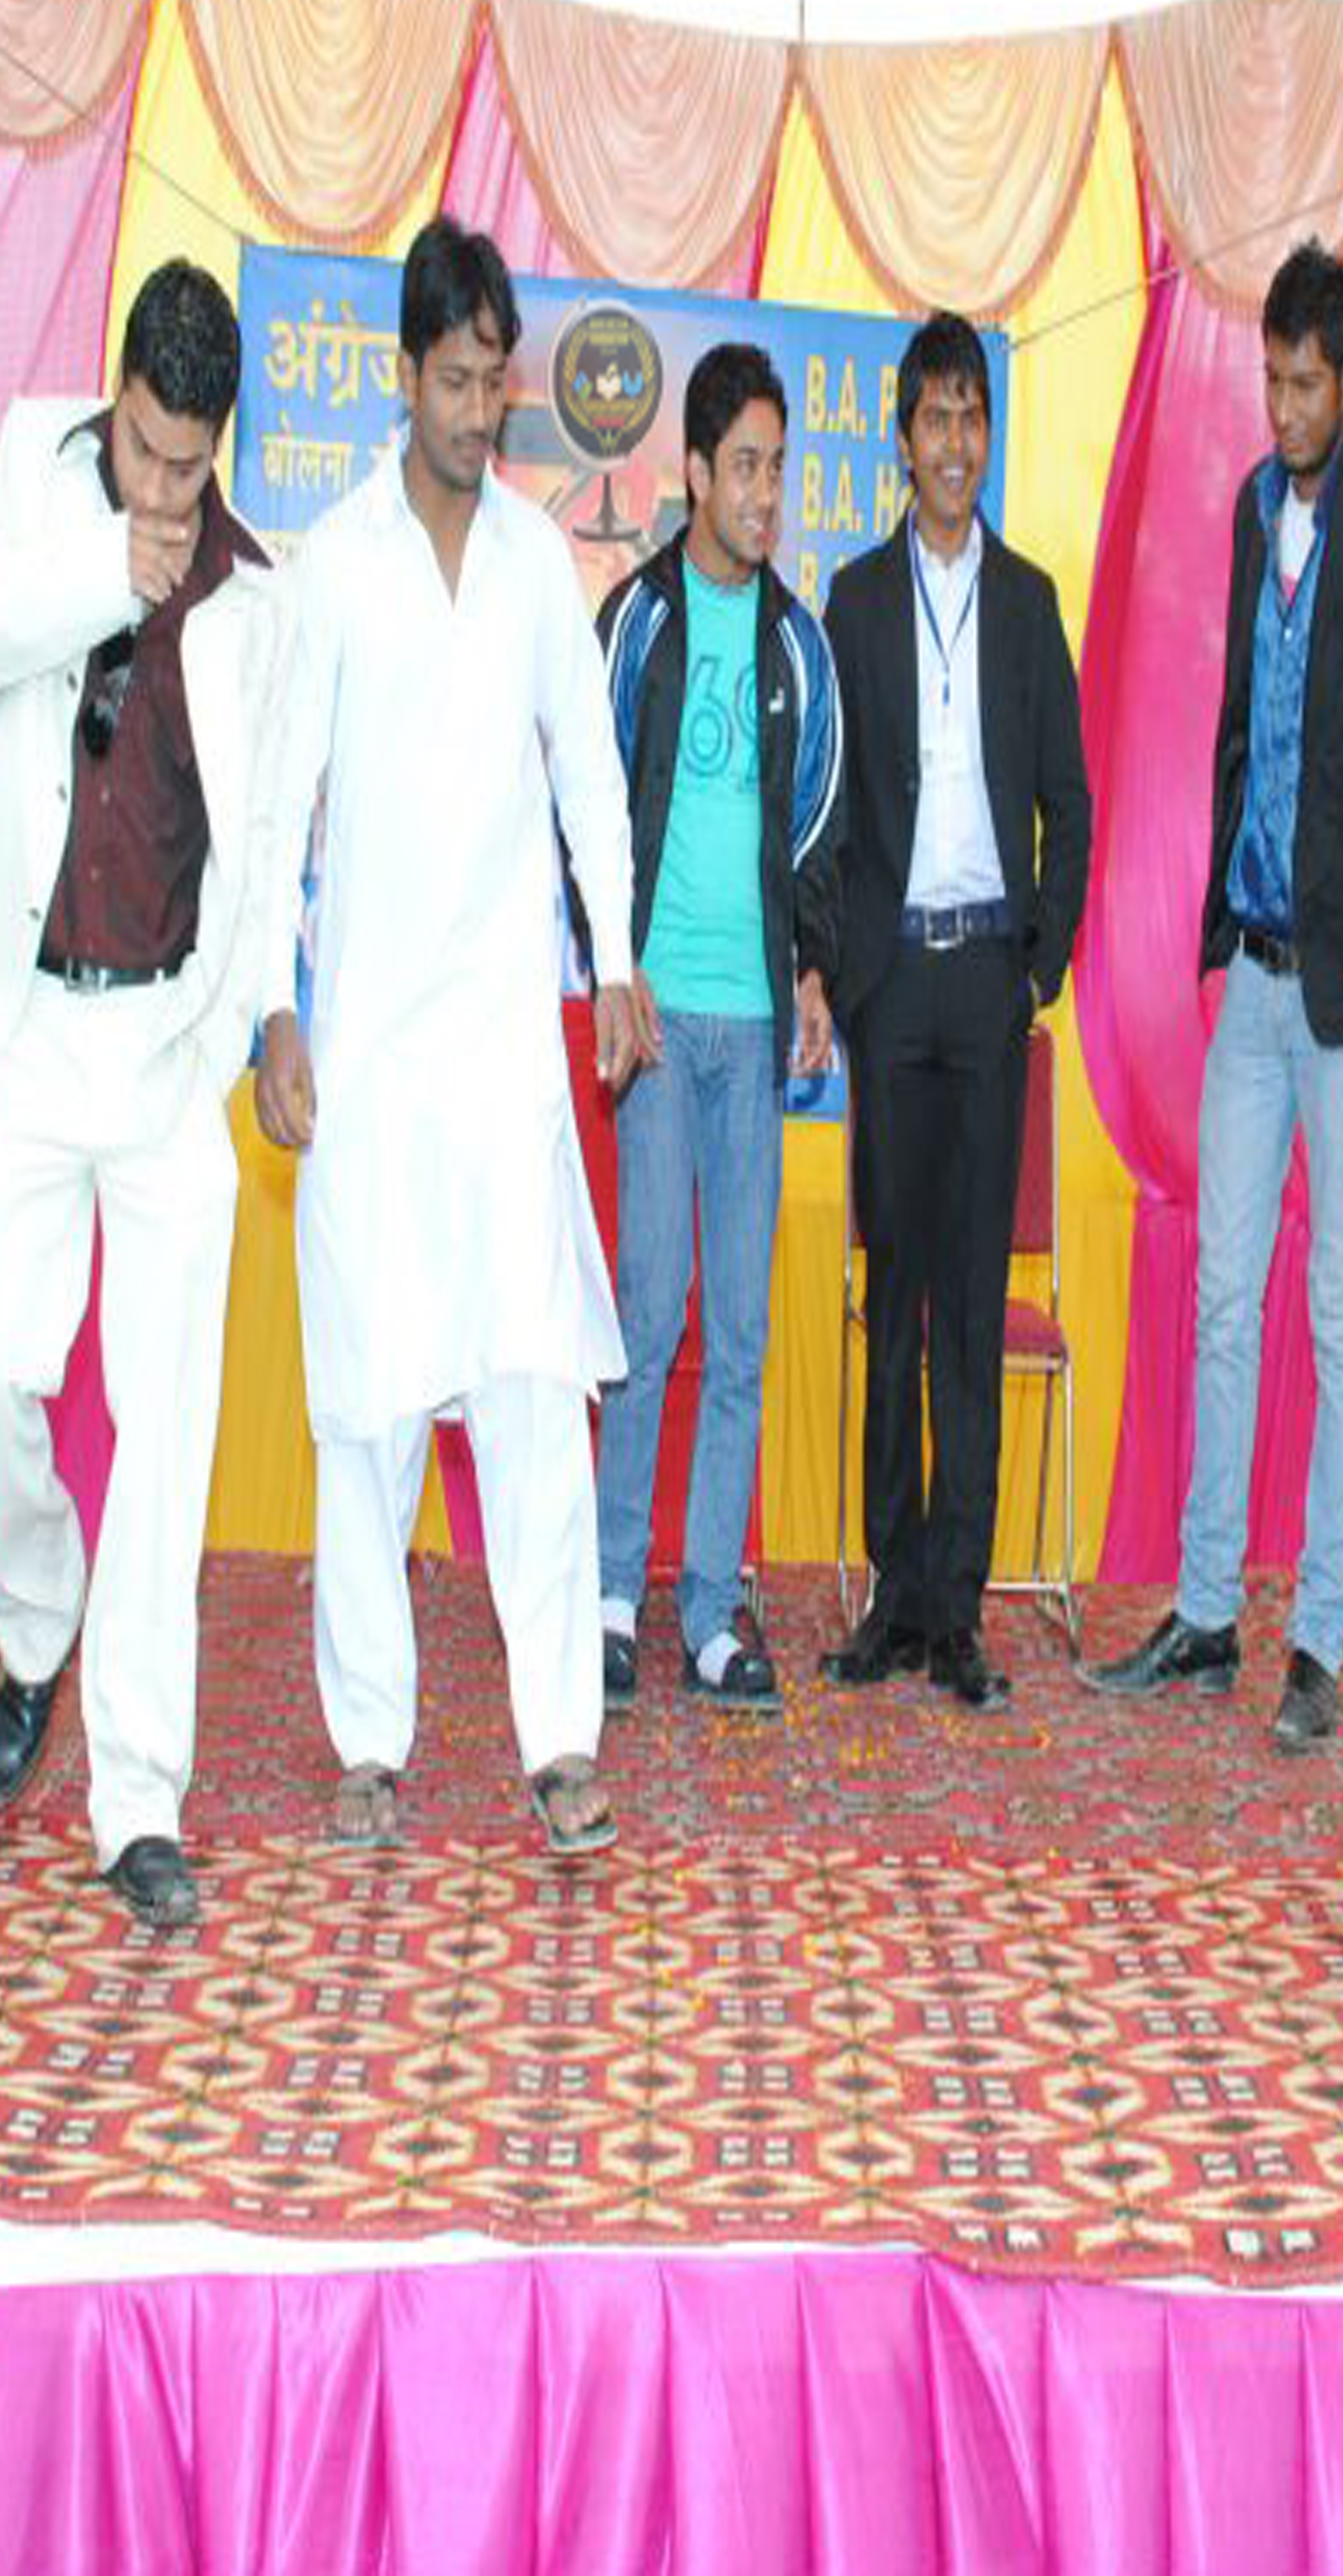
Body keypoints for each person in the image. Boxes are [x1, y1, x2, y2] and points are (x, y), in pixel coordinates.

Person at [0, 260, 279, 1932]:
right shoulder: (31, 478)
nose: (166, 490)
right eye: (146, 449)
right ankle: (33, 1621)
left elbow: (267, 857)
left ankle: (139, 1798)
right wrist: (99, 570)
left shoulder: (259, 596)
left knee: (169, 1437)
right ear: (114, 401)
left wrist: (251, 1024)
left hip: (167, 1054)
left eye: (192, 466)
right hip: (36, 1031)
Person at [254, 215, 640, 1858]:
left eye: (501, 384)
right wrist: (275, 1005)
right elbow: (278, 805)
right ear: (406, 375)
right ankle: (369, 1748)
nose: (485, 413)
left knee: (536, 1403)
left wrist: (613, 959)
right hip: (370, 1067)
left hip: (500, 1068)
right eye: (461, 380)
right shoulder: (333, 564)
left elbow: (589, 775)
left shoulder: (543, 565)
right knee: (370, 1418)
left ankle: (561, 1746)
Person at [1086, 239, 1343, 1753]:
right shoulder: (1248, 514)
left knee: (1339, 1318)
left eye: (1309, 383)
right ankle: (1207, 1607)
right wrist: (1223, 928)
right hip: (1253, 971)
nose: (1287, 405)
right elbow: (1244, 716)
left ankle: (1322, 1644)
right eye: (1274, 380)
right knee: (1222, 1293)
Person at [820, 312, 1091, 1710]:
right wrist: (845, 973)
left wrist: (1033, 971)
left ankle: (959, 1613)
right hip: (890, 990)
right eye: (930, 418)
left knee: (976, 1312)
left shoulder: (1033, 602)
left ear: (989, 435)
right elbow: (823, 812)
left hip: (985, 986)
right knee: (900, 1304)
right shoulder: (856, 602)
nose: (952, 444)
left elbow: (1072, 804)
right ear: (901, 437)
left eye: (970, 418)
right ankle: (888, 1603)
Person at [591, 344, 843, 1715]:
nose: (764, 493)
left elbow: (821, 831)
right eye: (743, 466)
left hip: (752, 1036)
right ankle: (612, 1599)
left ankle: (707, 1614)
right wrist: (612, 975)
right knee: (646, 1313)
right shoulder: (634, 623)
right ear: (691, 473)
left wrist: (809, 973)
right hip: (657, 1029)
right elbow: (587, 813)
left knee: (738, 1331)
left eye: (777, 468)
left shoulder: (800, 647)